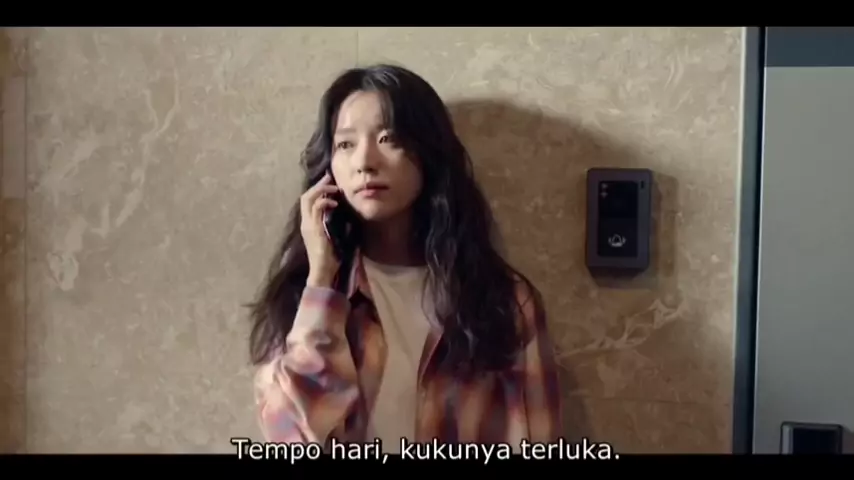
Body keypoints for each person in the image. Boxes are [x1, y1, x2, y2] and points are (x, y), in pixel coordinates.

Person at [247, 63, 561, 453]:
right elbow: (290, 436)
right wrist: (321, 277)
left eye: (388, 138)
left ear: (429, 153)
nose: (365, 161)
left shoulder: (503, 301)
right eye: (345, 144)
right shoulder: (305, 296)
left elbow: (540, 440)